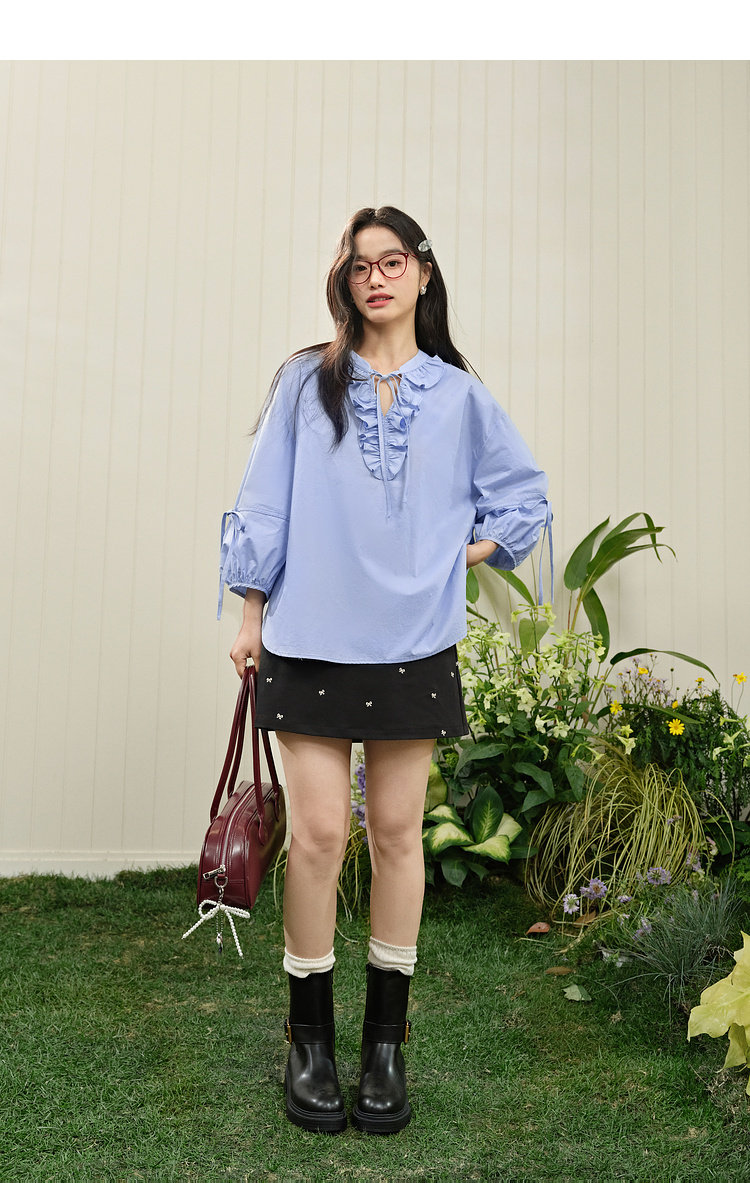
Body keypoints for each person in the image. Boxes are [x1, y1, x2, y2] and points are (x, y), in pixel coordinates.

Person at [217, 206, 550, 1135]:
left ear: (422, 274)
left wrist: (456, 555)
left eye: (391, 262)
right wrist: (250, 612)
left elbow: (522, 498)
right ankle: (310, 1043)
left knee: (399, 835)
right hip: (309, 637)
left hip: (413, 641)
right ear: (345, 280)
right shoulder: (306, 382)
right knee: (321, 835)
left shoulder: (461, 397)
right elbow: (264, 502)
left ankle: (385, 1048)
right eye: (360, 266)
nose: (375, 278)